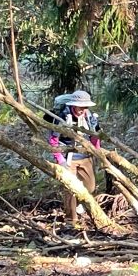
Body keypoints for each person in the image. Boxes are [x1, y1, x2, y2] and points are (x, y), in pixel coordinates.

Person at [48, 90, 101, 224]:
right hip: (68, 157)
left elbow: (95, 135)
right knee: (70, 188)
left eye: (85, 107)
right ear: (73, 105)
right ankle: (70, 220)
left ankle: (79, 204)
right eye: (80, 106)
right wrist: (60, 159)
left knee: (90, 187)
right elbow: (53, 140)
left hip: (85, 155)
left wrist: (97, 151)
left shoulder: (90, 117)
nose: (82, 110)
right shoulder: (62, 117)